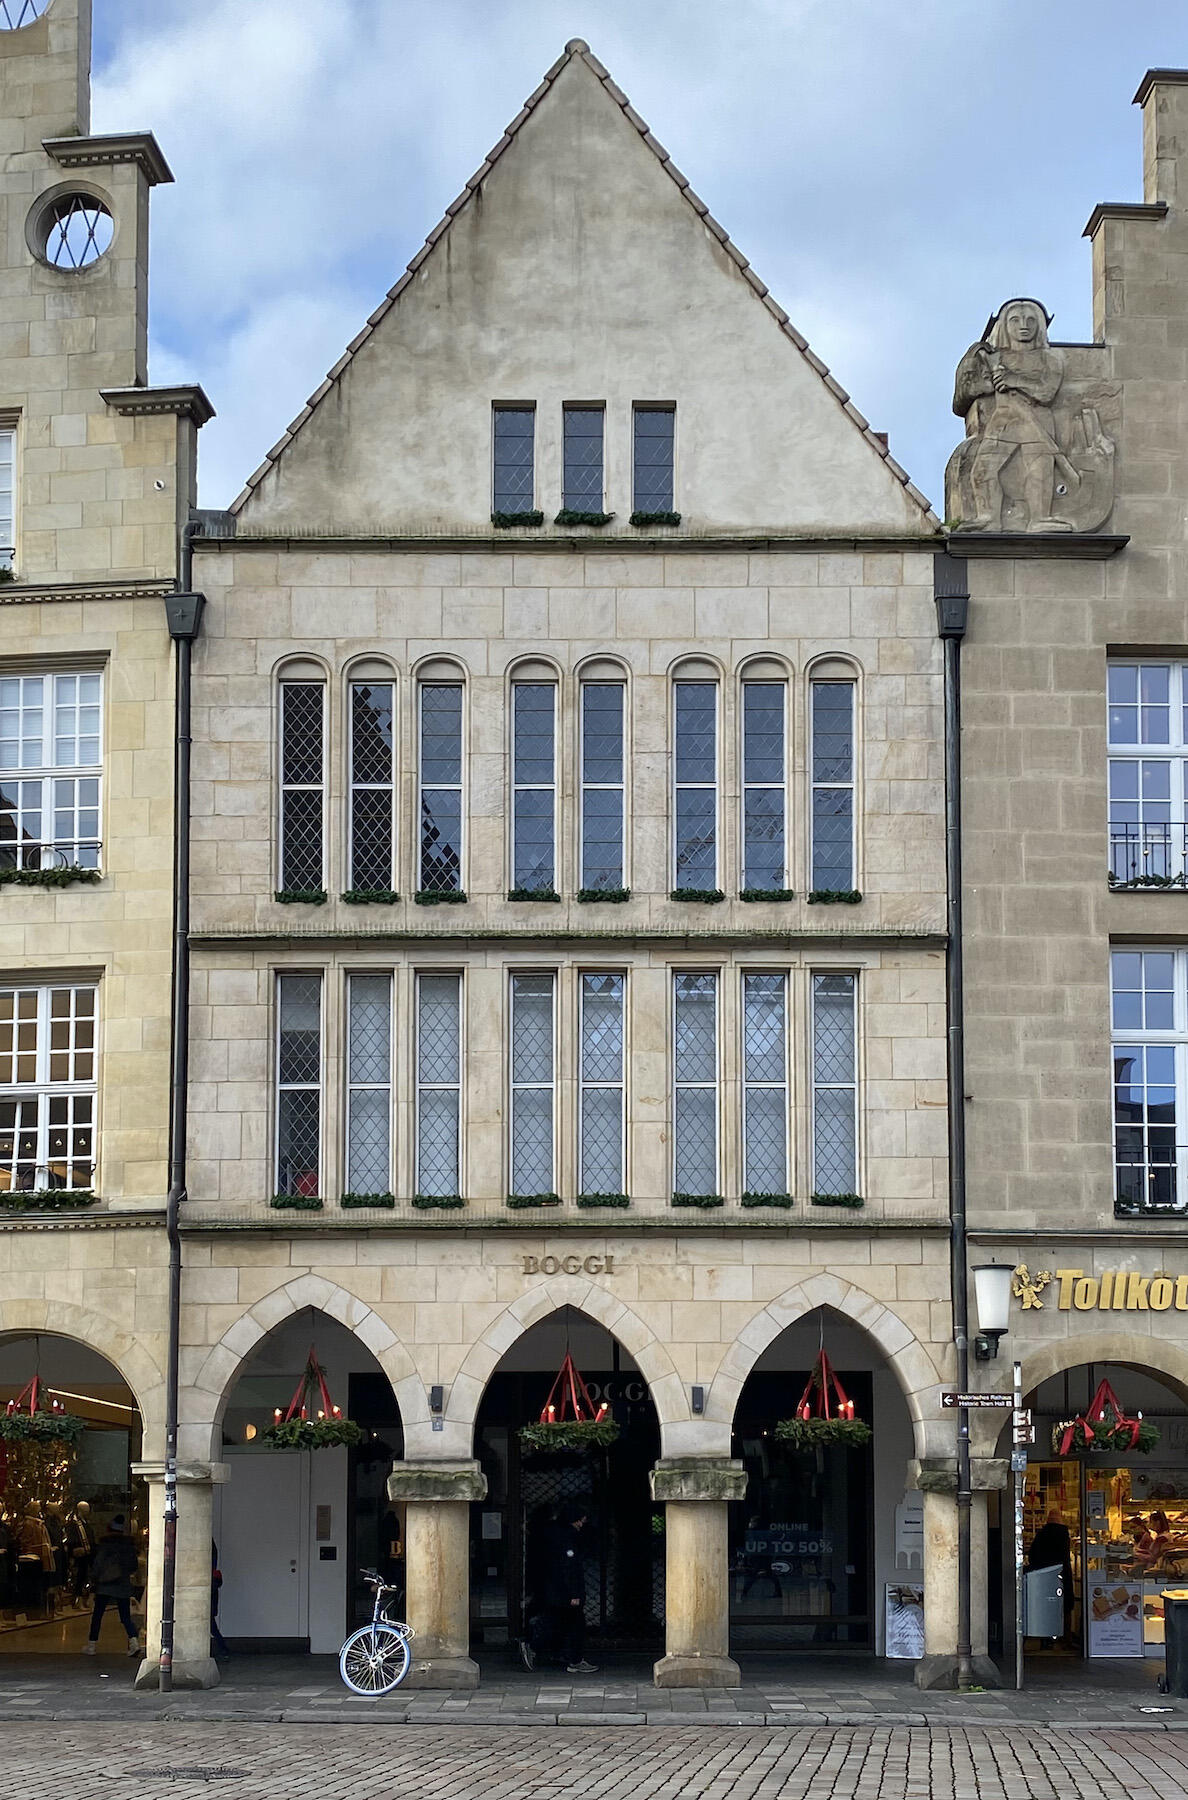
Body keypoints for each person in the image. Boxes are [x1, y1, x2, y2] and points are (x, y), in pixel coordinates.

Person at [538, 1501, 597, 1675]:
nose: (580, 1525)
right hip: (566, 1593)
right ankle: (575, 1659)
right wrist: (575, 1594)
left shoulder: (554, 1534)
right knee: (575, 1625)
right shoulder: (568, 1538)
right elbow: (570, 1568)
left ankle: (554, 1652)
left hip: (555, 1590)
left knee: (558, 1622)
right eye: (578, 1521)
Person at [82, 1514, 141, 1657]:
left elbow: (98, 1564)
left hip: (105, 1585)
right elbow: (134, 1566)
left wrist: (93, 1580)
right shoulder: (129, 1546)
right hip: (122, 1585)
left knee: (98, 1615)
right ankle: (134, 1642)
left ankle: (92, 1645)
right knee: (125, 1616)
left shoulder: (105, 1545)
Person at [1027, 1508, 1074, 1645]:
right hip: (1063, 1573)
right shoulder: (1064, 1534)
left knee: (1047, 1606)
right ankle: (1066, 1639)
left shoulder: (1042, 1534)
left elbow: (1033, 1555)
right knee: (1065, 1606)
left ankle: (1046, 1639)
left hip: (1045, 1575)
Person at [65, 1500, 94, 1607]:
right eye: (85, 1510)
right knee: (79, 1577)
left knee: (87, 1576)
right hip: (79, 1555)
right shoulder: (73, 1524)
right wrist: (75, 1549)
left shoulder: (87, 1523)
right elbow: (71, 1539)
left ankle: (85, 1600)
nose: (87, 1512)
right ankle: (78, 1600)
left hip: (88, 1554)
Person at [210, 1539, 230, 1658]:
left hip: (208, 1606)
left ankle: (224, 1650)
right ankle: (223, 1650)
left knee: (213, 1629)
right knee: (213, 1629)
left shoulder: (210, 1577)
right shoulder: (214, 1576)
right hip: (211, 1606)